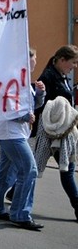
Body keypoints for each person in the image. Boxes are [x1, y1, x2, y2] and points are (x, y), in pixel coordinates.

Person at [0, 48, 45, 230]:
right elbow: (6, 106)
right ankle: (20, 214)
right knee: (29, 170)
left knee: (6, 171)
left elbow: (33, 106)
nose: (36, 61)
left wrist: (40, 93)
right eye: (35, 58)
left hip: (15, 132)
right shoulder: (12, 79)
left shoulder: (24, 80)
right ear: (26, 60)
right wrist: (25, 117)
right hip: (11, 132)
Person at [32, 44, 78, 221]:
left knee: (36, 166)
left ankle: (14, 192)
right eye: (72, 62)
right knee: (67, 170)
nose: (74, 66)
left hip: (62, 131)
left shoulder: (61, 75)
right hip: (53, 133)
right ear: (61, 60)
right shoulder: (49, 76)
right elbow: (44, 107)